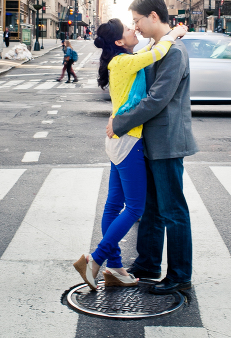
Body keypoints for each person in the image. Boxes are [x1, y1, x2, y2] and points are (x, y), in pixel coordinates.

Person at [74, 19, 186, 290]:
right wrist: (174, 33)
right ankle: (96, 260)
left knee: (113, 205)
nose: (133, 29)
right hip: (129, 141)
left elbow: (148, 52)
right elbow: (158, 52)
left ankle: (115, 267)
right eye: (128, 28)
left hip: (117, 141)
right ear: (118, 42)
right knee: (134, 207)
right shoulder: (123, 62)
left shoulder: (122, 60)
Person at [107, 0, 198, 295]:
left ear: (154, 17)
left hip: (168, 141)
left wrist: (119, 123)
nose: (136, 27)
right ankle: (147, 263)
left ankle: (180, 274)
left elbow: (157, 99)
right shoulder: (157, 47)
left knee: (172, 210)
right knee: (151, 208)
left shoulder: (174, 52)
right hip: (149, 141)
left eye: (137, 20)